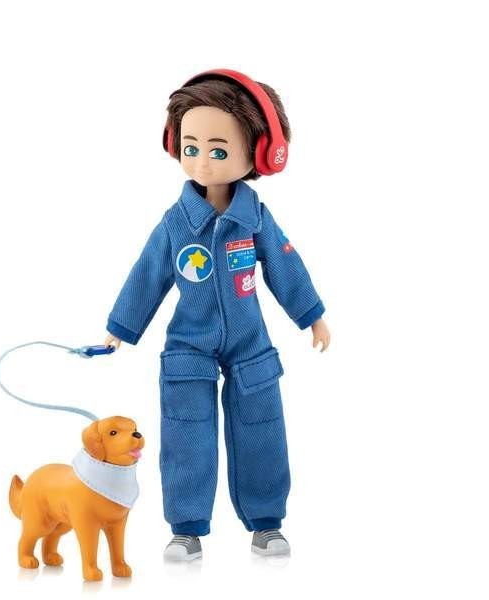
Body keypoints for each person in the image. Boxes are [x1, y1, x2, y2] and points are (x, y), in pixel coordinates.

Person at [104, 69, 330, 560]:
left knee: (262, 429)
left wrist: (311, 314)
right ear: (174, 144)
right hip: (189, 343)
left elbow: (285, 265)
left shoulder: (255, 218)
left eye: (219, 150)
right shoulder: (176, 223)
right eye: (191, 147)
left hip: (251, 344)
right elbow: (148, 274)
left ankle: (266, 523)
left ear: (262, 153)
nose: (203, 161)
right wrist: (119, 328)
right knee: (186, 434)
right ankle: (186, 528)